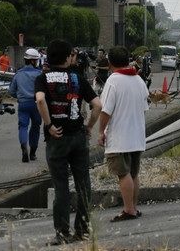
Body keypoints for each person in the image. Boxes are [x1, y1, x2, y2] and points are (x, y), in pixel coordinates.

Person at [35, 39, 101, 245]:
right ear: (67, 57)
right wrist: (89, 127)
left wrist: (48, 125)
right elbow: (97, 105)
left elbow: (39, 100)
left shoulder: (42, 78)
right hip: (78, 136)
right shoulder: (77, 77)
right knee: (83, 184)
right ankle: (82, 230)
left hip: (57, 138)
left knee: (61, 186)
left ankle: (62, 233)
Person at [98, 46, 149, 222]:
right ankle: (134, 207)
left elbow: (105, 111)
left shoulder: (113, 81)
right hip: (137, 135)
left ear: (110, 62)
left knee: (123, 173)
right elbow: (144, 109)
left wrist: (100, 131)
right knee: (134, 173)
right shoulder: (139, 80)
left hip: (119, 137)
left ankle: (128, 210)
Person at [8, 48, 42, 162]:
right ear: (33, 61)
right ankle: (32, 153)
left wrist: (20, 96)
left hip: (23, 104)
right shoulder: (39, 74)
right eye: (36, 60)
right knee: (35, 127)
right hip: (36, 104)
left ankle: (24, 149)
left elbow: (11, 91)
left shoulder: (18, 74)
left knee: (23, 126)